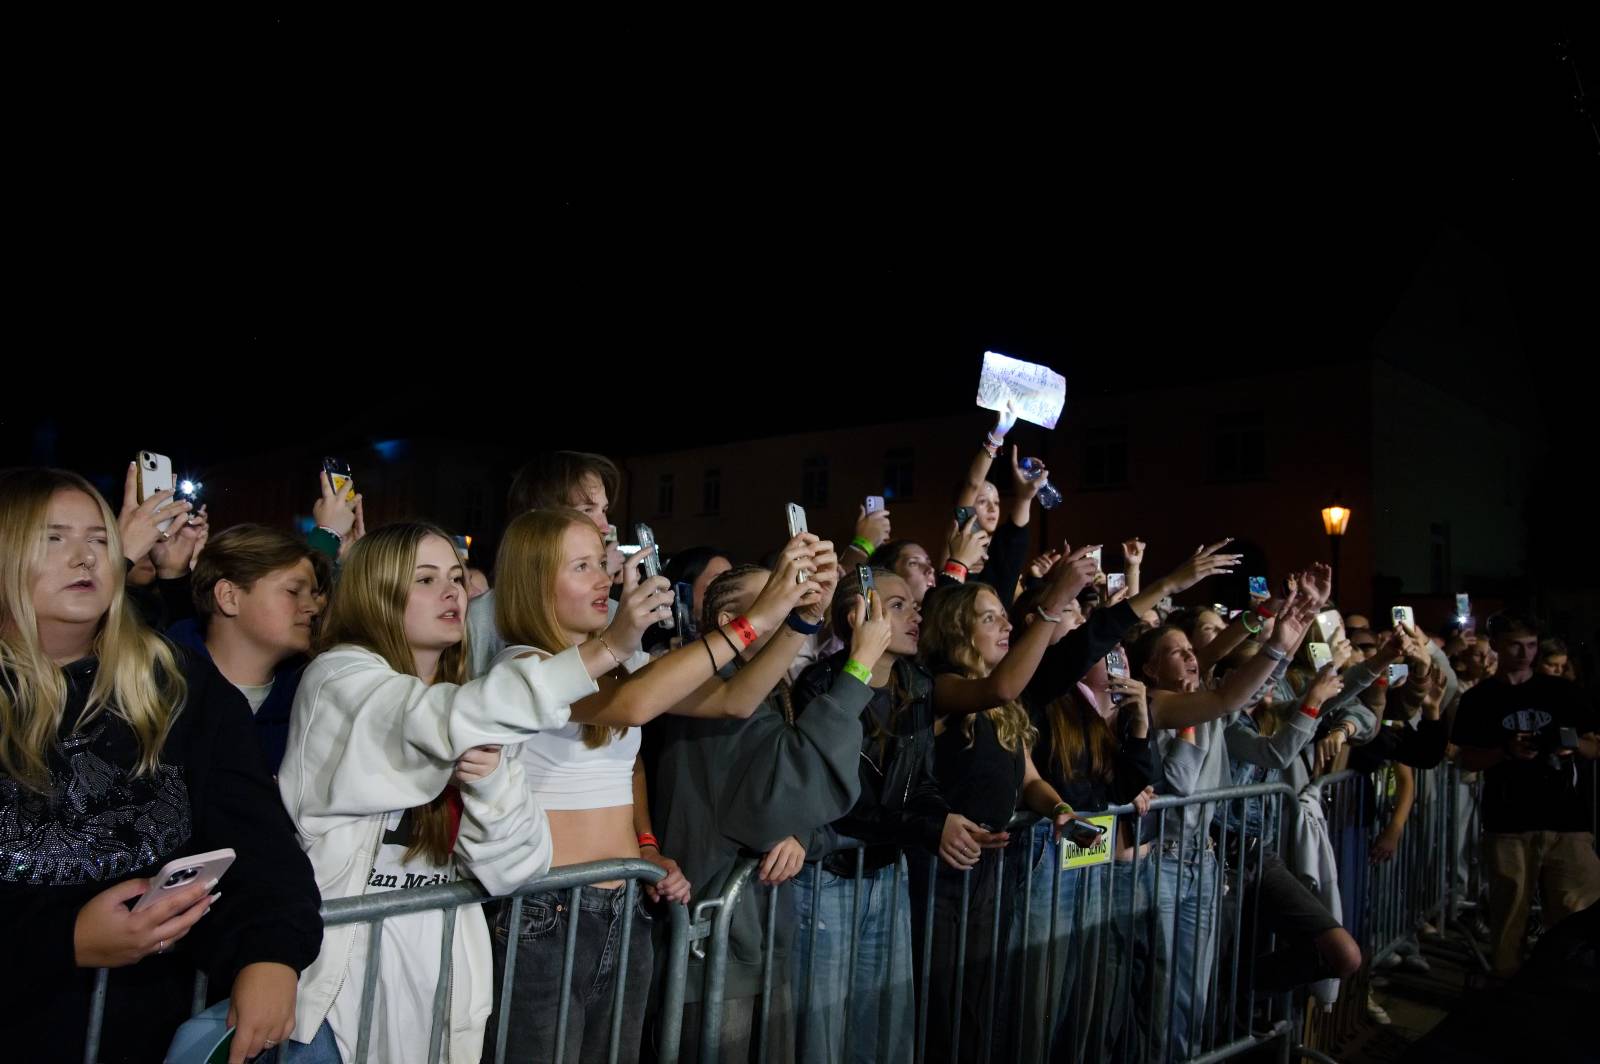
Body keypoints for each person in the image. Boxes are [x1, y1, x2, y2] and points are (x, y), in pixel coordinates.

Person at [0, 468, 321, 1064]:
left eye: (99, 539)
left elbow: (255, 836)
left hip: (152, 1031)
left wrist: (271, 953)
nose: (85, 557)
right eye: (53, 539)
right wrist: (63, 940)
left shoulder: (177, 682)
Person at [482, 509, 827, 1063]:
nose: (605, 578)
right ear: (534, 582)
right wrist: (755, 619)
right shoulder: (524, 668)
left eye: (603, 563)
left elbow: (732, 702)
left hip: (624, 909)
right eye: (582, 567)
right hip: (548, 915)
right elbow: (633, 706)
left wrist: (800, 622)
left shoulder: (620, 664)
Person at [279, 521, 620, 1063]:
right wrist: (601, 653)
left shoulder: (470, 705)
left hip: (432, 990)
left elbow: (519, 866)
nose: (451, 592)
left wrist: (486, 784)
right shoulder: (338, 679)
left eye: (457, 578)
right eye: (425, 579)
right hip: (336, 1000)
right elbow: (427, 720)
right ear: (378, 593)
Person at [648, 563, 894, 1063]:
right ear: (727, 619)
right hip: (711, 951)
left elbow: (797, 806)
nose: (793, 614)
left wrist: (805, 836)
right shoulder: (715, 691)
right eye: (777, 599)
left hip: (748, 942)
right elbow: (791, 781)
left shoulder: (759, 689)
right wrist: (859, 665)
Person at [1450, 612, 1600, 978]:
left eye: (1532, 645)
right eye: (1516, 644)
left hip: (1567, 821)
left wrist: (1568, 746)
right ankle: (1508, 994)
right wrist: (1505, 751)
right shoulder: (1480, 700)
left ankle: (1574, 987)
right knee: (1509, 916)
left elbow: (1595, 745)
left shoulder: (1563, 693)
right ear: (1497, 645)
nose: (1524, 652)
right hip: (1508, 821)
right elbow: (1465, 757)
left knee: (1577, 910)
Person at [168, 524, 331, 772]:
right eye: (293, 591)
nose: (312, 607)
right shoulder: (154, 692)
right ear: (229, 597)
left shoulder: (313, 704)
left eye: (312, 593)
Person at [466, 450, 621, 675]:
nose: (605, 526)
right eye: (587, 510)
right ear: (537, 521)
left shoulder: (613, 614)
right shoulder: (478, 619)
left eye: (604, 510)